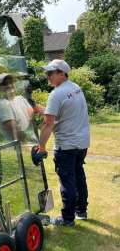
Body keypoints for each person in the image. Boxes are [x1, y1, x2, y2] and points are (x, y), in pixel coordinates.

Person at [29, 59, 90, 227]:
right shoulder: (75, 88)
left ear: (61, 74)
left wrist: (41, 147)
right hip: (81, 143)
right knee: (78, 176)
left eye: (50, 73)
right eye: (46, 73)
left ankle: (67, 218)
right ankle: (81, 211)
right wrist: (35, 107)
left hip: (66, 145)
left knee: (67, 180)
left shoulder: (57, 94)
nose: (47, 76)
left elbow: (47, 123)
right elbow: (53, 114)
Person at [0, 73, 35, 142]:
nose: (9, 85)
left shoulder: (20, 98)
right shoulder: (3, 105)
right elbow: (15, 131)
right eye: (5, 84)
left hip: (31, 141)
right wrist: (25, 148)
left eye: (11, 82)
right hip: (19, 146)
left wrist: (29, 98)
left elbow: (32, 118)